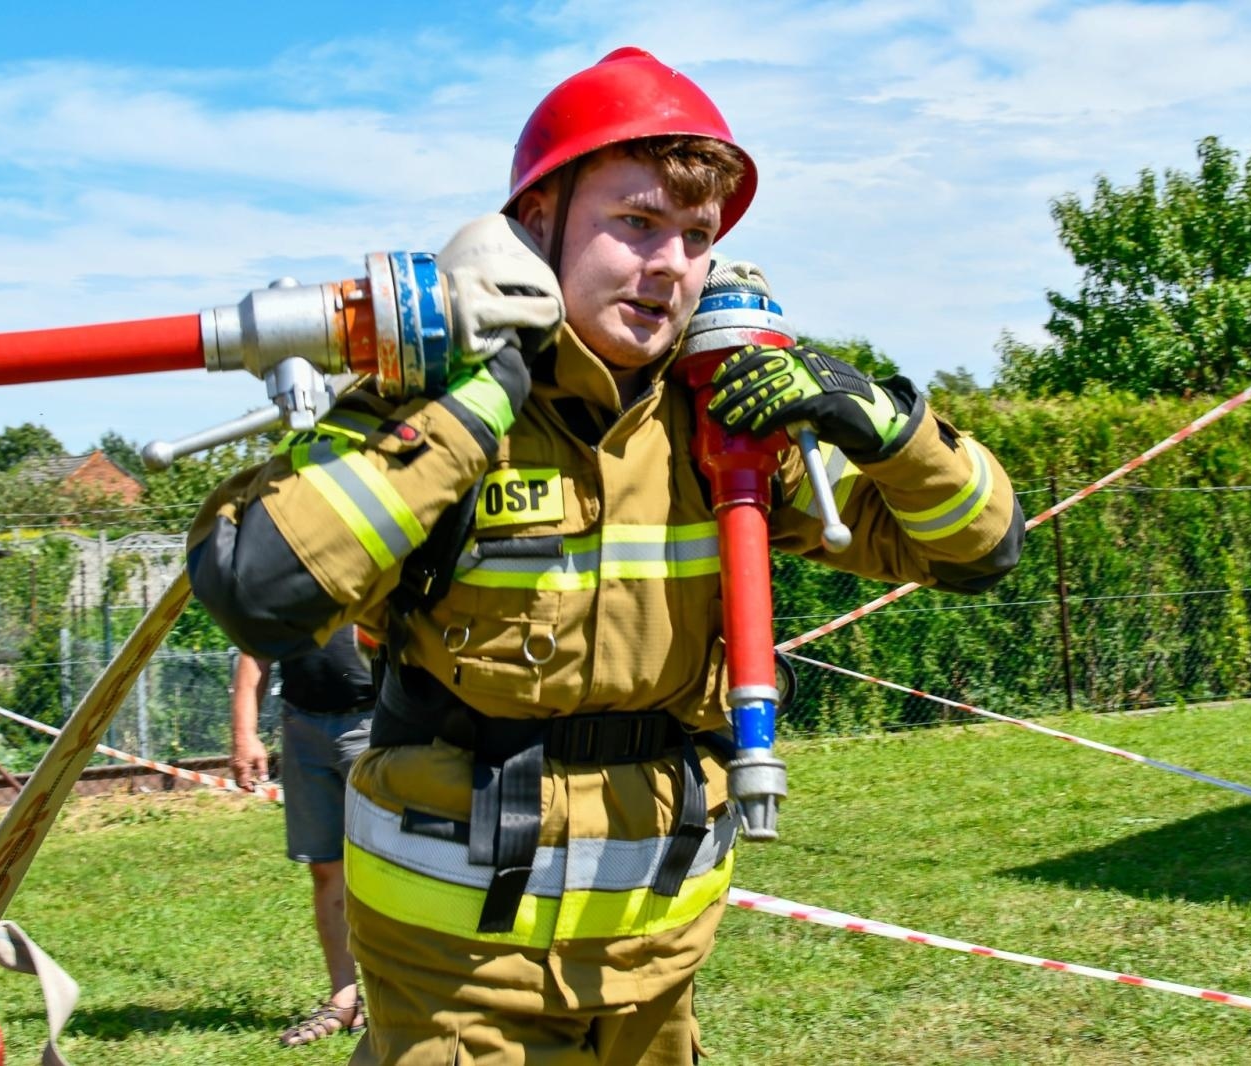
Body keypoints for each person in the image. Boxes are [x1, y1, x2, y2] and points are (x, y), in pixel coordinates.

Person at [187, 46, 1024, 1066]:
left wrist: (888, 424)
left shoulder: (732, 427)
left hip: (655, 953)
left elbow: (980, 550)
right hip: (455, 963)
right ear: (535, 224)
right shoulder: (432, 399)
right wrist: (480, 394)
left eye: (695, 236)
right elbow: (259, 591)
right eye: (634, 222)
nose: (668, 263)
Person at [229, 624, 376, 1047]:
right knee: (327, 870)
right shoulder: (290, 569)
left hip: (376, 721)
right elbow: (254, 647)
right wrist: (245, 735)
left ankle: (405, 1000)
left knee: (396, 869)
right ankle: (344, 1000)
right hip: (303, 726)